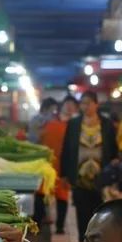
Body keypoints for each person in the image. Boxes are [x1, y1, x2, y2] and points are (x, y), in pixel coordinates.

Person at [60, 91, 118, 242]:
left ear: (96, 104)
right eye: (83, 103)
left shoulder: (106, 124)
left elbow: (114, 149)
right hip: (79, 176)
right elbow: (66, 150)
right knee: (82, 211)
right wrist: (64, 174)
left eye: (88, 103)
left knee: (100, 213)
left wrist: (114, 167)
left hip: (101, 177)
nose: (85, 106)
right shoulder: (74, 124)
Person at [33, 96, 76, 233]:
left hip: (64, 166)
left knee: (62, 196)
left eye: (72, 105)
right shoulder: (48, 122)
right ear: (61, 106)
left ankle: (60, 227)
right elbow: (37, 140)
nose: (69, 107)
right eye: (67, 104)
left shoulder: (75, 125)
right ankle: (37, 223)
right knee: (41, 194)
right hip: (47, 165)